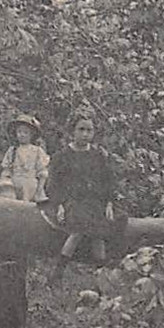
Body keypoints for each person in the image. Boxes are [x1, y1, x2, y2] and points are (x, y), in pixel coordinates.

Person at [46, 112, 120, 264]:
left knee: (99, 233)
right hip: (71, 202)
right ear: (72, 131)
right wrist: (59, 205)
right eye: (81, 129)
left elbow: (108, 181)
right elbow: (54, 184)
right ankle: (60, 268)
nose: (85, 134)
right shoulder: (62, 156)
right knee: (79, 229)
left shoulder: (98, 155)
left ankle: (100, 269)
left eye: (89, 130)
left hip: (95, 202)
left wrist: (109, 204)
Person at [0, 113, 50, 202]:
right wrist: (5, 179)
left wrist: (40, 189)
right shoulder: (13, 150)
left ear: (31, 134)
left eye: (25, 132)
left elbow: (42, 173)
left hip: (30, 185)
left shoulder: (37, 151)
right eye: (19, 132)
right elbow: (7, 170)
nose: (22, 135)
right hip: (15, 184)